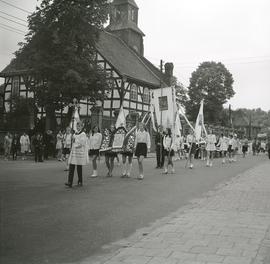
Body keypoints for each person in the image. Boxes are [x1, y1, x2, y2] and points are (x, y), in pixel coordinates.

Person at [65, 121, 89, 188]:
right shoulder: (75, 133)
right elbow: (73, 141)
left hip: (79, 152)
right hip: (74, 152)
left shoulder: (83, 134)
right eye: (77, 126)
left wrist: (75, 143)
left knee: (79, 167)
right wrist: (72, 141)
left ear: (82, 126)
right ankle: (70, 182)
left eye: (79, 126)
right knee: (71, 166)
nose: (78, 127)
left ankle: (80, 181)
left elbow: (82, 143)